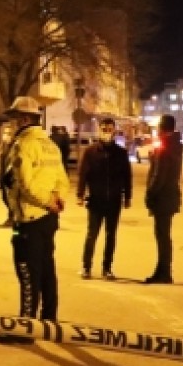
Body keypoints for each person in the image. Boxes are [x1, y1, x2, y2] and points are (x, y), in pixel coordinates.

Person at [0, 96, 68, 343]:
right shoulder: (50, 144)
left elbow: (25, 184)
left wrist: (46, 202)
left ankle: (25, 328)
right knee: (47, 268)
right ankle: (49, 320)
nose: (11, 123)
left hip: (30, 216)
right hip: (48, 218)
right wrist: (57, 200)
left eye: (14, 118)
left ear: (25, 119)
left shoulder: (23, 145)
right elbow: (62, 179)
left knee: (27, 271)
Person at [76, 117, 132, 279]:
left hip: (114, 201)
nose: (107, 132)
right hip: (95, 200)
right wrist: (80, 195)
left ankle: (107, 268)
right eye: (104, 129)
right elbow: (83, 175)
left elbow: (126, 176)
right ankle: (86, 266)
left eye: (109, 129)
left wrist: (127, 196)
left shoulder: (120, 153)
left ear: (114, 131)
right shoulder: (90, 152)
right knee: (91, 234)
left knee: (111, 235)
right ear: (99, 130)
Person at [142, 114, 183, 285]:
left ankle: (164, 273)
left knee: (162, 236)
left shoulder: (165, 147)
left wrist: (150, 194)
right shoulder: (175, 145)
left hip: (163, 198)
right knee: (164, 236)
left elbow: (159, 175)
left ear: (163, 128)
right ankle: (162, 271)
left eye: (158, 127)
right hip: (170, 196)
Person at [0, 124, 16, 227]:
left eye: (9, 133)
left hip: (12, 177)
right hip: (3, 176)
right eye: (5, 133)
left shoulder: (16, 147)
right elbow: (0, 164)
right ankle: (13, 216)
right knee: (4, 198)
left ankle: (12, 218)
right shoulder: (2, 146)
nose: (6, 135)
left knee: (11, 199)